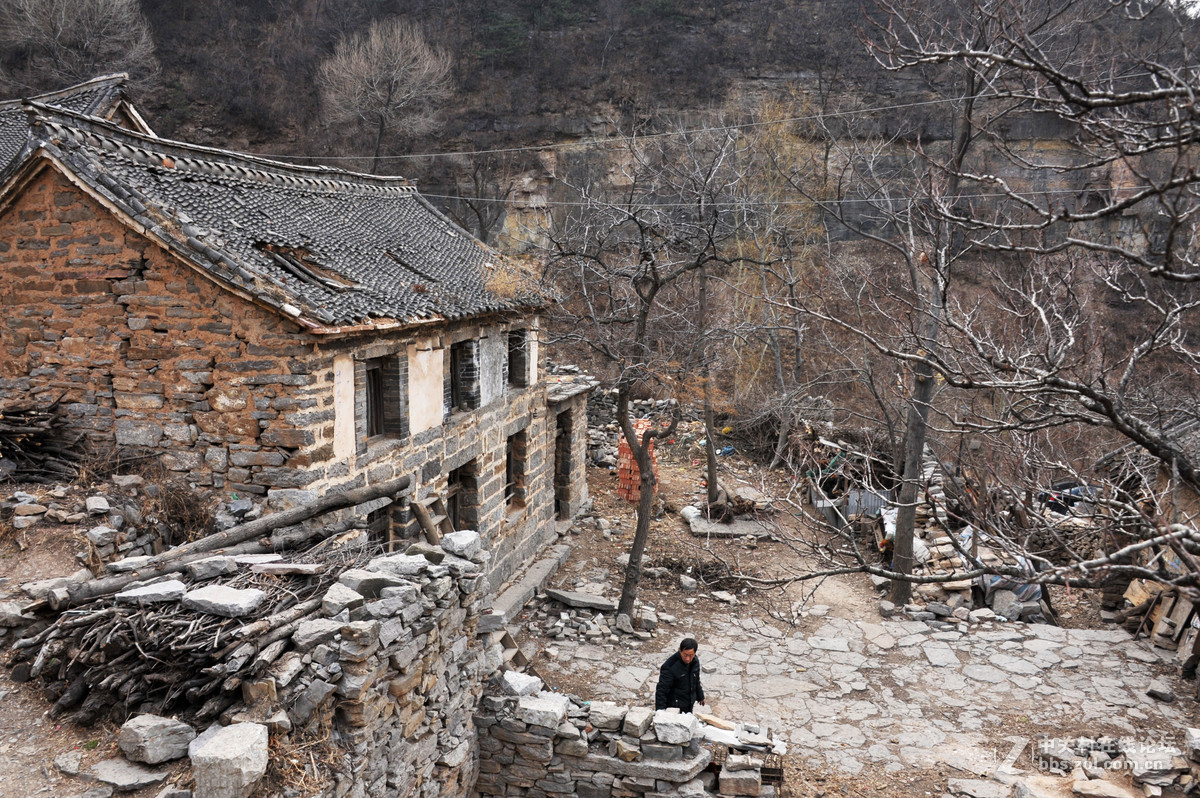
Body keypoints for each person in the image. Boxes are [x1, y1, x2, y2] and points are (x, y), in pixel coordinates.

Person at [654, 637, 705, 713]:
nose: (688, 659)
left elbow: (696, 680)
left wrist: (700, 696)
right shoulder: (669, 667)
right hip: (675, 706)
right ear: (680, 650)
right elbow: (661, 691)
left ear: (695, 653)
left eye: (691, 655)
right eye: (685, 655)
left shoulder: (695, 661)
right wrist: (660, 712)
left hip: (689, 702)